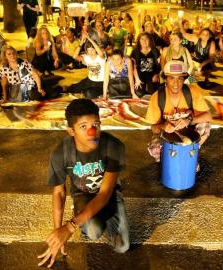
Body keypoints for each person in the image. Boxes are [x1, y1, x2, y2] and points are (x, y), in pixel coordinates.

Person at [38, 98, 129, 268]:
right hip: (83, 194)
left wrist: (70, 226)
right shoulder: (60, 154)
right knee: (93, 231)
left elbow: (104, 194)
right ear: (71, 131)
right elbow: (59, 192)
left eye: (95, 124)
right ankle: (87, 217)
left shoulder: (114, 146)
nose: (92, 132)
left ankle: (93, 217)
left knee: (122, 247)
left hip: (109, 195)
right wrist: (59, 233)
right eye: (83, 127)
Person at [145, 60, 212, 163]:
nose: (176, 83)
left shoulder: (192, 92)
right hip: (167, 133)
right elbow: (154, 127)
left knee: (205, 126)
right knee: (155, 150)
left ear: (184, 79)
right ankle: (173, 160)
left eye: (180, 78)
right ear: (165, 79)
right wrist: (163, 126)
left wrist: (189, 121)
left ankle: (191, 154)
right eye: (171, 78)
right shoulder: (157, 97)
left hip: (189, 130)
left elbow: (208, 116)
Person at [66, 34, 106, 99]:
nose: (91, 52)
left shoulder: (101, 57)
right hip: (90, 80)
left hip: (100, 82)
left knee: (89, 94)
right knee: (71, 88)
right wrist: (81, 43)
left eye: (92, 50)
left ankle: (100, 92)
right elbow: (74, 57)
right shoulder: (86, 57)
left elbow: (100, 53)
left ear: (96, 49)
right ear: (86, 51)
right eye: (89, 50)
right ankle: (85, 91)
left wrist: (89, 39)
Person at [130, 33, 161, 97]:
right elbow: (133, 67)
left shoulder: (155, 50)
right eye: (142, 39)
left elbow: (159, 65)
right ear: (139, 41)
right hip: (140, 76)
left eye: (146, 39)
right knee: (139, 93)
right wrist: (137, 79)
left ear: (150, 40)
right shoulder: (135, 51)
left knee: (154, 93)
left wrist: (157, 74)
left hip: (152, 76)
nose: (144, 41)